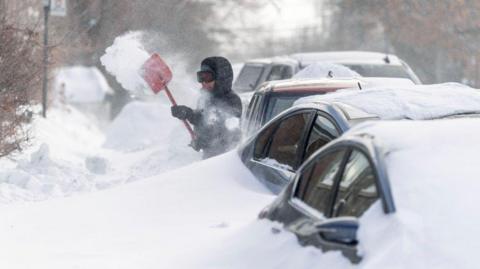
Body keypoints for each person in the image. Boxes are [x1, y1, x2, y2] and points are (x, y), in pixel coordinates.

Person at [171, 56, 242, 159]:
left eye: (207, 77)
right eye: (201, 77)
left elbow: (227, 134)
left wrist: (203, 142)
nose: (203, 82)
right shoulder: (205, 98)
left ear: (220, 77)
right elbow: (202, 120)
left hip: (225, 161)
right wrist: (187, 113)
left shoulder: (231, 101)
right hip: (209, 158)